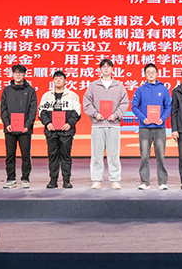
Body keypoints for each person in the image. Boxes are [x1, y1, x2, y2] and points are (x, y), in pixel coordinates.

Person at [83, 58, 129, 190]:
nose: (106, 69)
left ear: (112, 69)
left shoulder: (119, 86)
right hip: (98, 124)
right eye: (103, 67)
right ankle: (96, 180)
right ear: (100, 69)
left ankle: (115, 180)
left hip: (113, 125)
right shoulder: (93, 85)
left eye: (108, 66)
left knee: (113, 154)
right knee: (97, 154)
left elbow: (124, 103)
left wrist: (116, 115)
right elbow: (87, 102)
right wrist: (95, 114)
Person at [131, 63, 172, 190]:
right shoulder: (140, 90)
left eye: (153, 72)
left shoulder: (163, 89)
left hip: (159, 127)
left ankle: (162, 182)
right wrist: (143, 118)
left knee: (161, 155)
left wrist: (162, 119)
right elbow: (134, 107)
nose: (150, 74)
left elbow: (168, 106)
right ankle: (145, 182)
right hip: (145, 127)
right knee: (144, 156)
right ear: (144, 74)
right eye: (148, 72)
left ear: (157, 73)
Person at [39, 70, 81, 189]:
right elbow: (41, 112)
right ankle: (53, 180)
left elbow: (77, 112)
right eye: (56, 79)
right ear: (53, 81)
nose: (58, 81)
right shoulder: (47, 96)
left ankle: (66, 180)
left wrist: (69, 124)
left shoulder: (72, 95)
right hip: (51, 131)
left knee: (65, 155)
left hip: (66, 131)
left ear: (65, 81)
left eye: (60, 78)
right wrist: (47, 123)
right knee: (53, 156)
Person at [0, 64, 38, 189]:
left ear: (24, 74)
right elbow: (3, 109)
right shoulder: (7, 90)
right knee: (10, 155)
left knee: (26, 155)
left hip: (25, 130)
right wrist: (7, 124)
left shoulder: (30, 90)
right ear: (12, 74)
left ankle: (25, 178)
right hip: (10, 129)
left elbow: (33, 109)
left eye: (20, 73)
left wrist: (27, 125)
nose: (18, 75)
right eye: (16, 72)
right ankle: (11, 179)